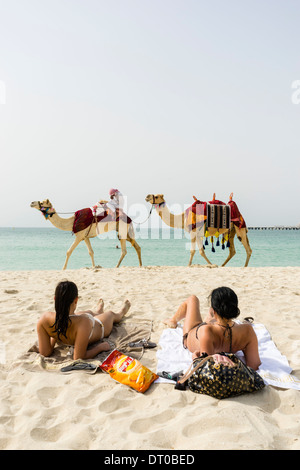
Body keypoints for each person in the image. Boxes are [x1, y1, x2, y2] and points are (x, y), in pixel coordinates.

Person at [163, 286, 261, 370]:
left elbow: (205, 367)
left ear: (214, 312)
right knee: (213, 322)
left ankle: (173, 320)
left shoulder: (207, 330)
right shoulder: (248, 330)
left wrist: (194, 357)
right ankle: (213, 317)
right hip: (217, 331)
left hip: (192, 332)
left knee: (193, 299)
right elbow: (254, 365)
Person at [37, 280, 131, 360]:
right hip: (98, 326)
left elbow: (45, 352)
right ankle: (121, 312)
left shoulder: (44, 319)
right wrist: (100, 347)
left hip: (77, 322)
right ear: (76, 300)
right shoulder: (83, 321)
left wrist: (55, 334)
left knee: (87, 312)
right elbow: (78, 357)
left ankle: (98, 311)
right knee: (111, 314)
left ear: (55, 299)